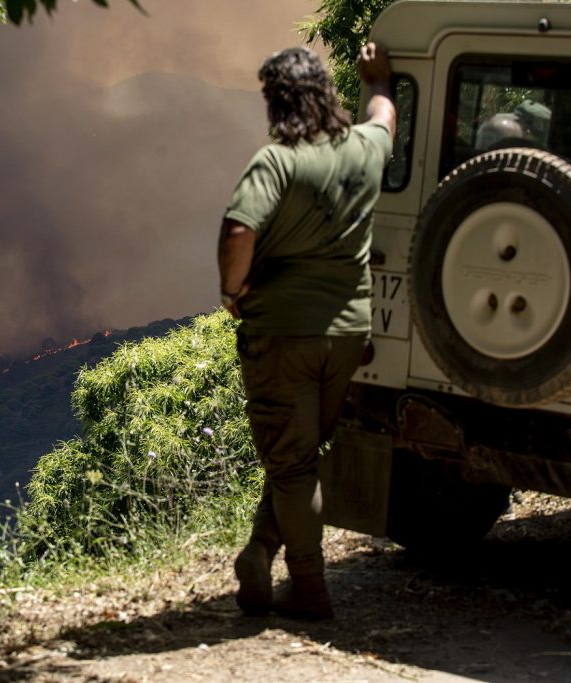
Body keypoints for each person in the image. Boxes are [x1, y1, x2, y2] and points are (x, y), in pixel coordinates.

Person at [217, 43, 395, 620]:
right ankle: (260, 551)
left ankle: (312, 591)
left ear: (277, 101)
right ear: (325, 93)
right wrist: (379, 79)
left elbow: (239, 229)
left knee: (291, 464)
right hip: (347, 332)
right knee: (299, 455)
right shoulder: (365, 149)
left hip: (283, 334)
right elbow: (384, 115)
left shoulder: (277, 160)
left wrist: (231, 291)